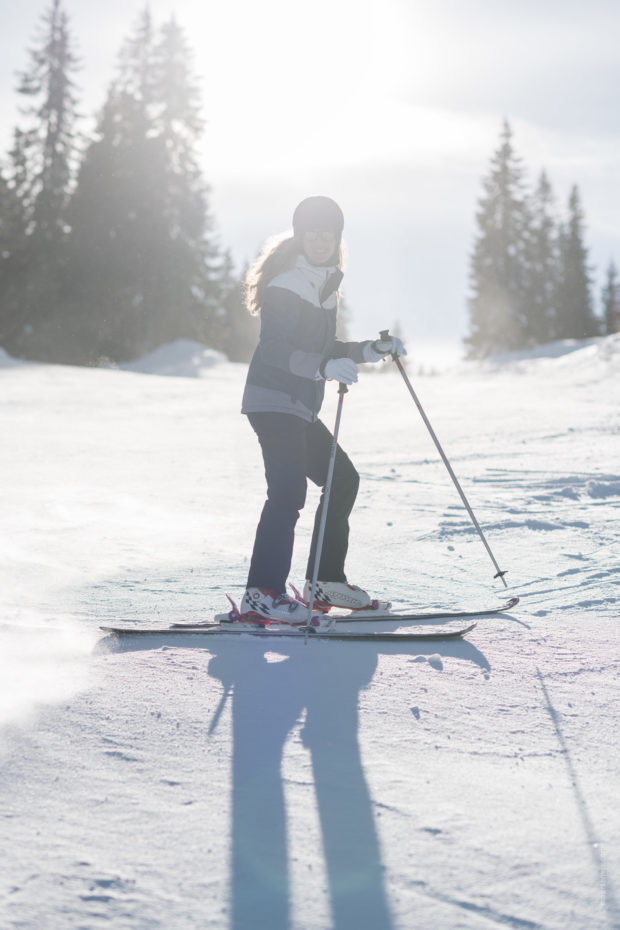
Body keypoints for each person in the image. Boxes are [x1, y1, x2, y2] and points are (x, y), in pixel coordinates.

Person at [237, 196, 405, 624]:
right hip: (273, 401)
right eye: (310, 233)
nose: (318, 240)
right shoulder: (288, 284)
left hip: (299, 406)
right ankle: (262, 593)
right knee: (288, 493)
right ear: (300, 237)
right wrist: (322, 366)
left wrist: (371, 349)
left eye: (325, 234)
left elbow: (324, 349)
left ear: (336, 239)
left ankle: (324, 581)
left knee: (341, 478)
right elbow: (274, 349)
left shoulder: (323, 284)